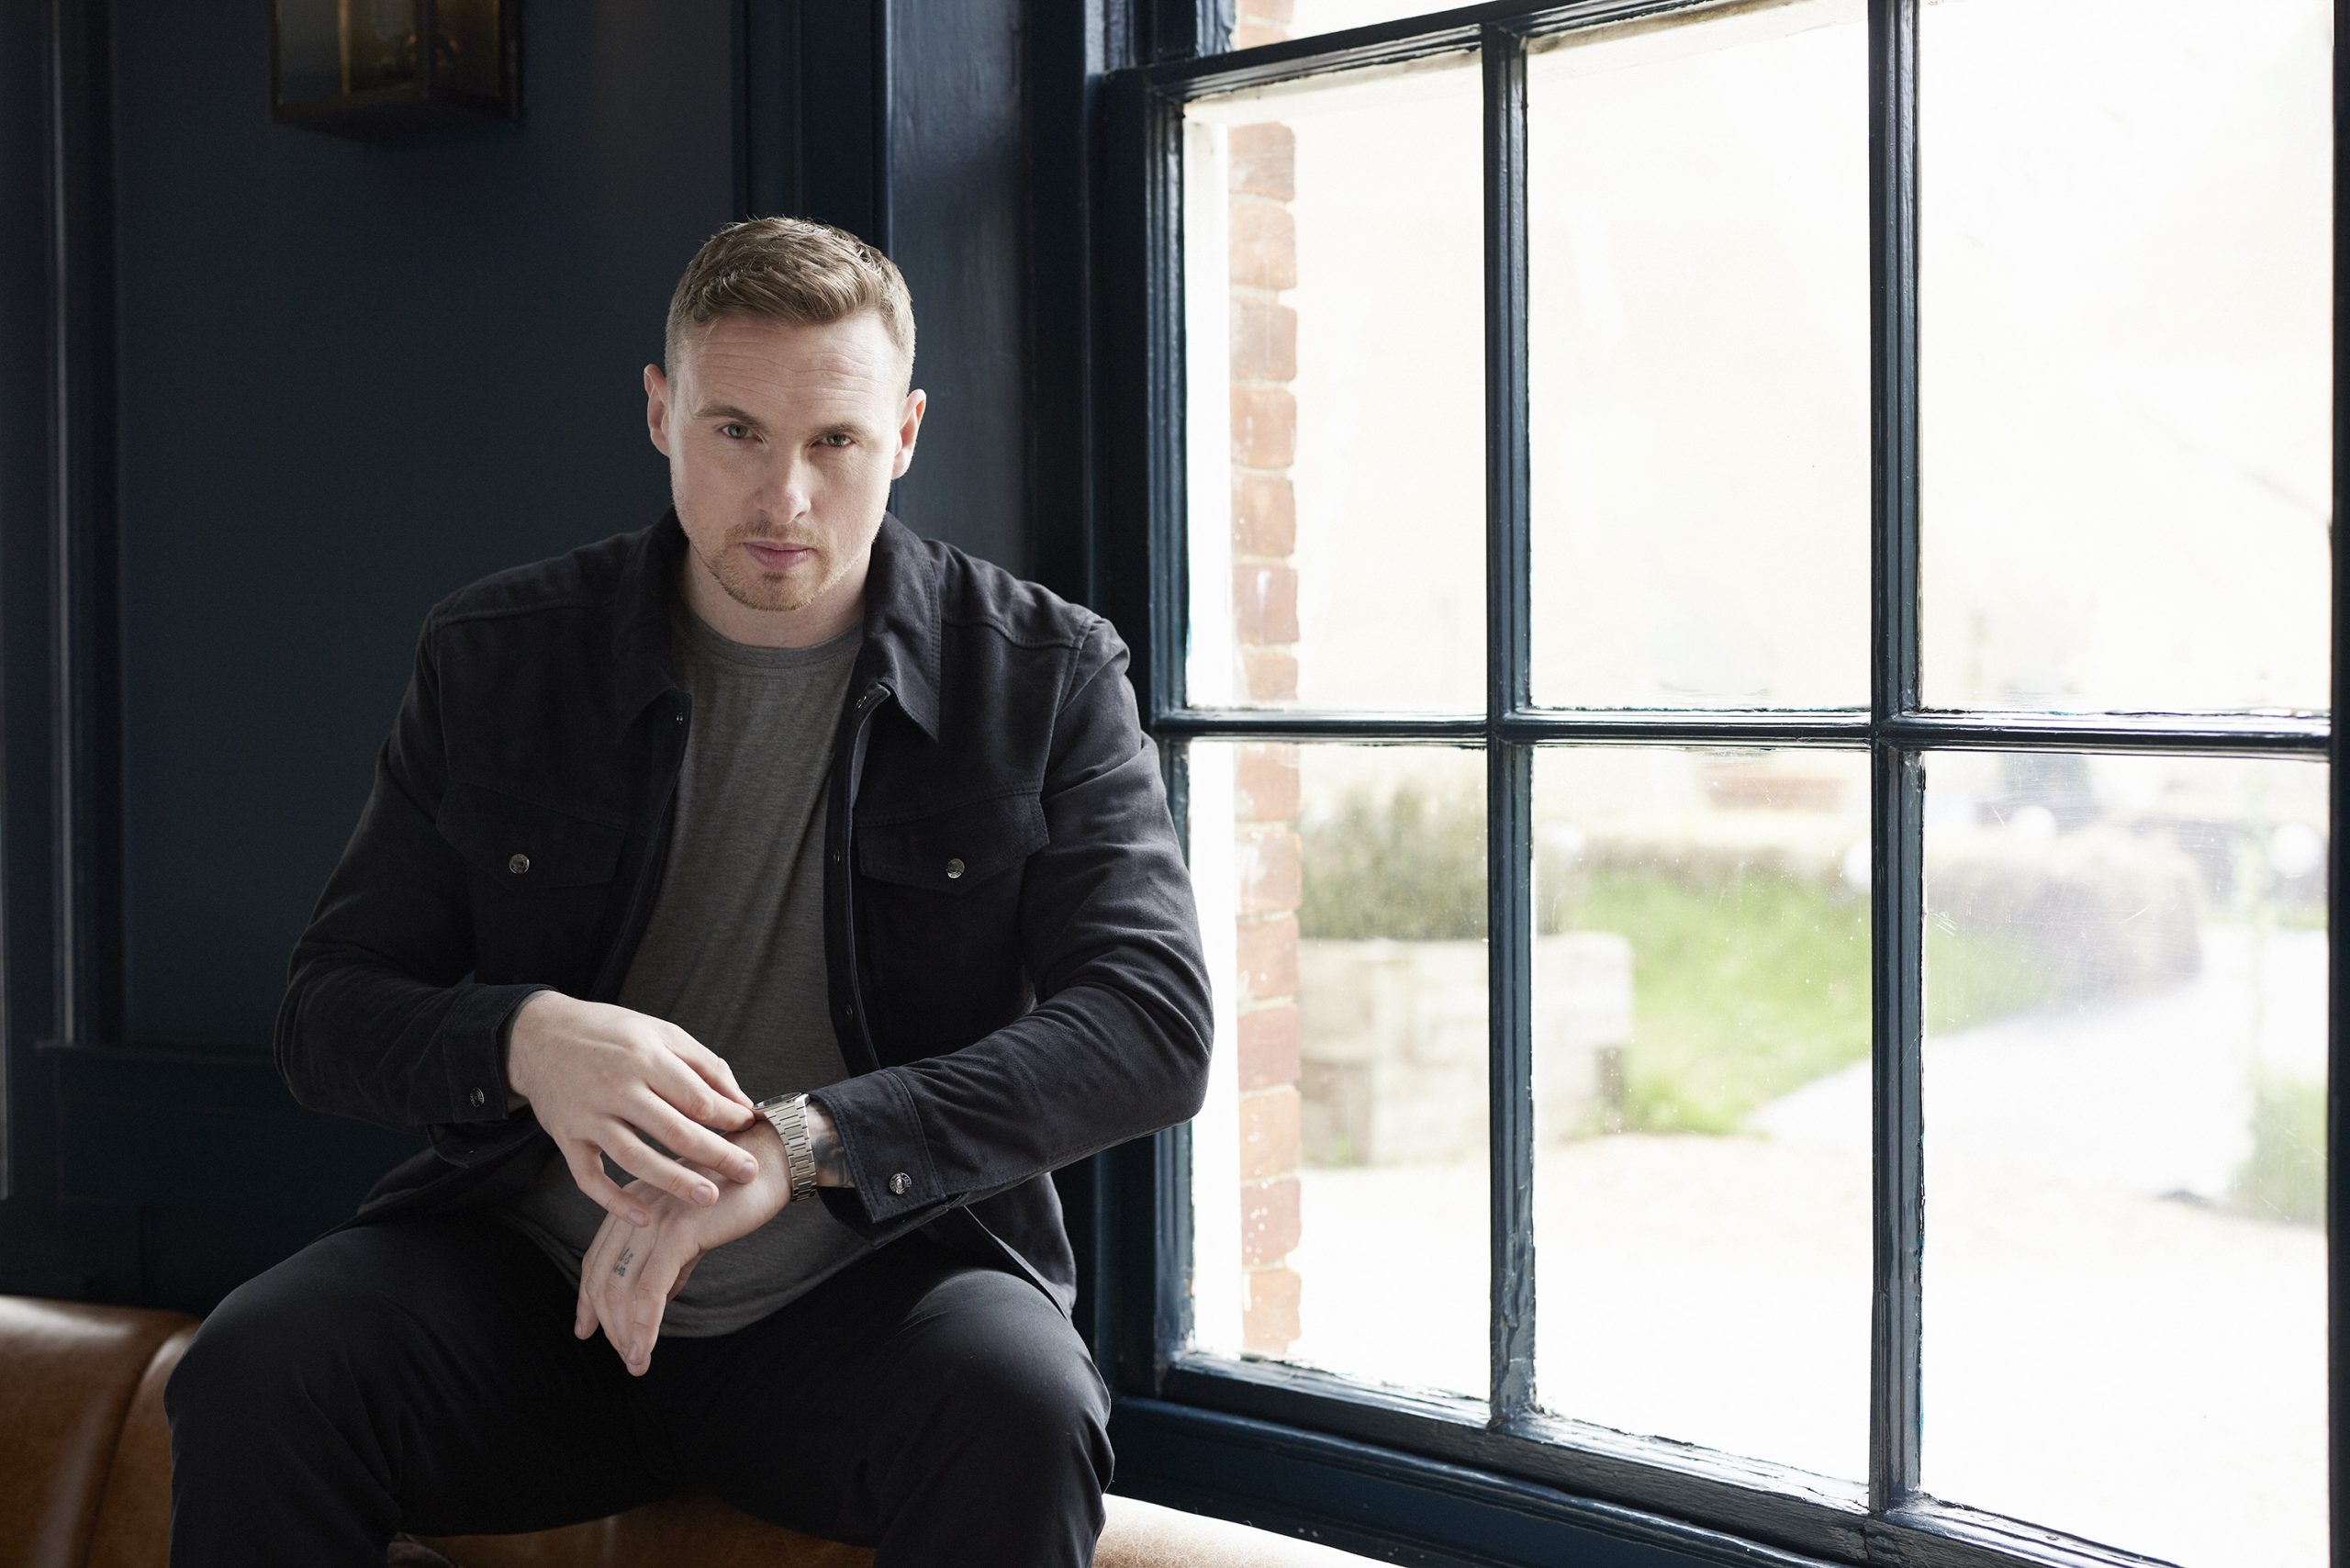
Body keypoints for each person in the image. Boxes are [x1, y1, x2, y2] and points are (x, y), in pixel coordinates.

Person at [161, 216, 1214, 1568]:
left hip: (872, 1299)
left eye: (833, 441)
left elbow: (1151, 1027)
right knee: (257, 1368)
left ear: (904, 436)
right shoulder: (496, 656)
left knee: (1024, 1402)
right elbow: (326, 1014)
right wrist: (528, 1039)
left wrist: (801, 1144)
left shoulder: (1046, 675)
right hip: (536, 1291)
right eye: (735, 433)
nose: (784, 497)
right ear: (660, 415)